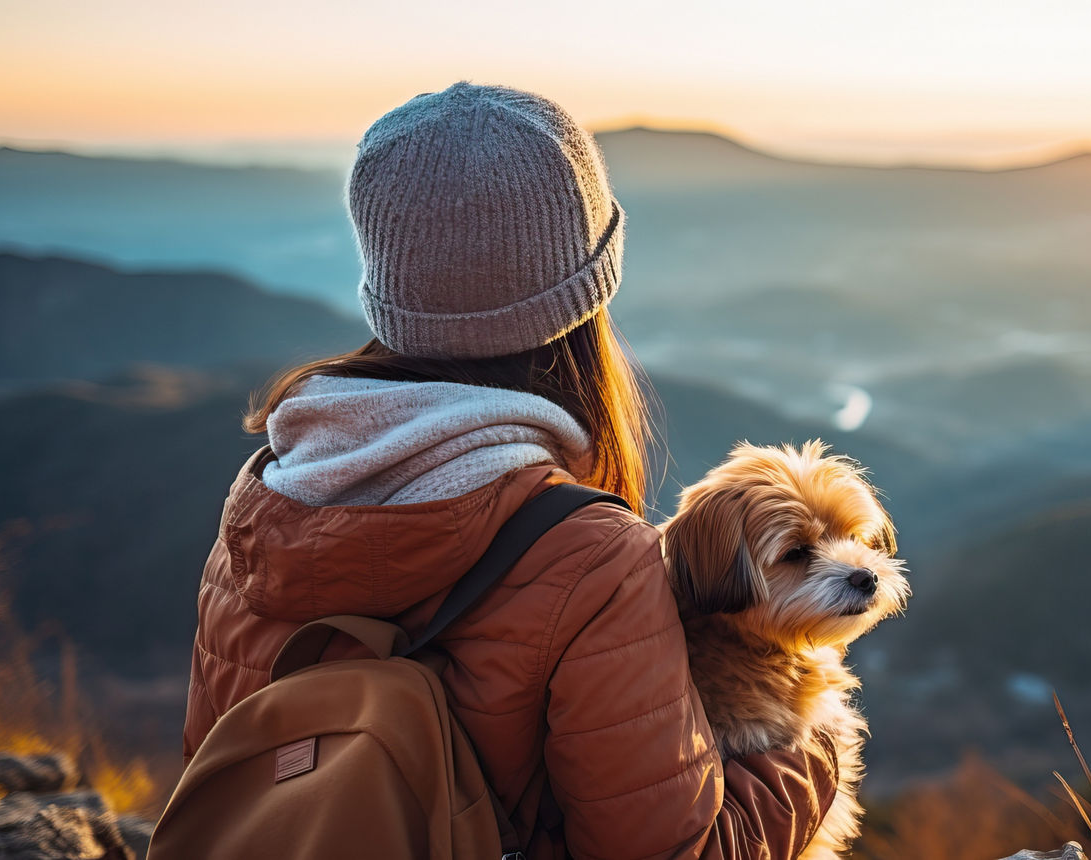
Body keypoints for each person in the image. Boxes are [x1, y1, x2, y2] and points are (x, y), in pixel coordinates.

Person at [181, 81, 839, 859]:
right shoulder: (589, 557)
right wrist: (818, 742)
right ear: (587, 294)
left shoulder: (263, 503)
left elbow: (220, 784)